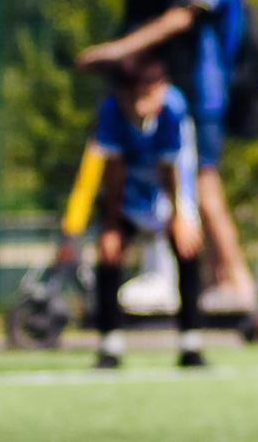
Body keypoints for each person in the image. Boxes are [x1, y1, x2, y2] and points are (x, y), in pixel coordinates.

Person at [77, 0, 257, 309]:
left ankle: (238, 283)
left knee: (205, 187)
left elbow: (179, 19)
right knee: (190, 180)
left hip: (207, 94)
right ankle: (215, 279)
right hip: (198, 91)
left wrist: (117, 50)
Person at [84, 48, 206, 370]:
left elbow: (171, 169)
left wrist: (180, 215)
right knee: (109, 251)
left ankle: (190, 343)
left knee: (188, 247)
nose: (141, 103)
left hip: (170, 192)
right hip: (126, 194)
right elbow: (113, 168)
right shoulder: (111, 110)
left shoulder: (173, 108)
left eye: (149, 93)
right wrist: (111, 224)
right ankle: (110, 343)